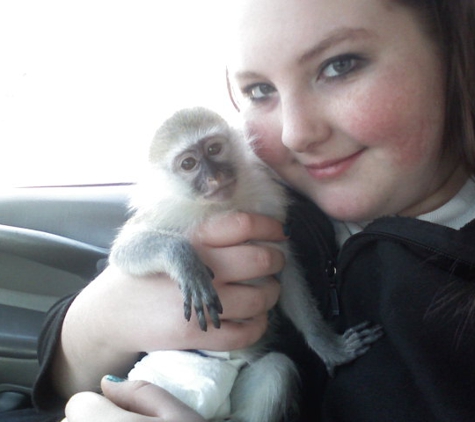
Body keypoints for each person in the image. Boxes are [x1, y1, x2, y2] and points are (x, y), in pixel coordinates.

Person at [10, 0, 475, 420]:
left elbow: (285, 270)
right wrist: (103, 324)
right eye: (258, 90)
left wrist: (319, 340)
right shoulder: (285, 196)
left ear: (456, 51)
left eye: (340, 65)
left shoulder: (268, 190)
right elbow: (98, 303)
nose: (295, 134)